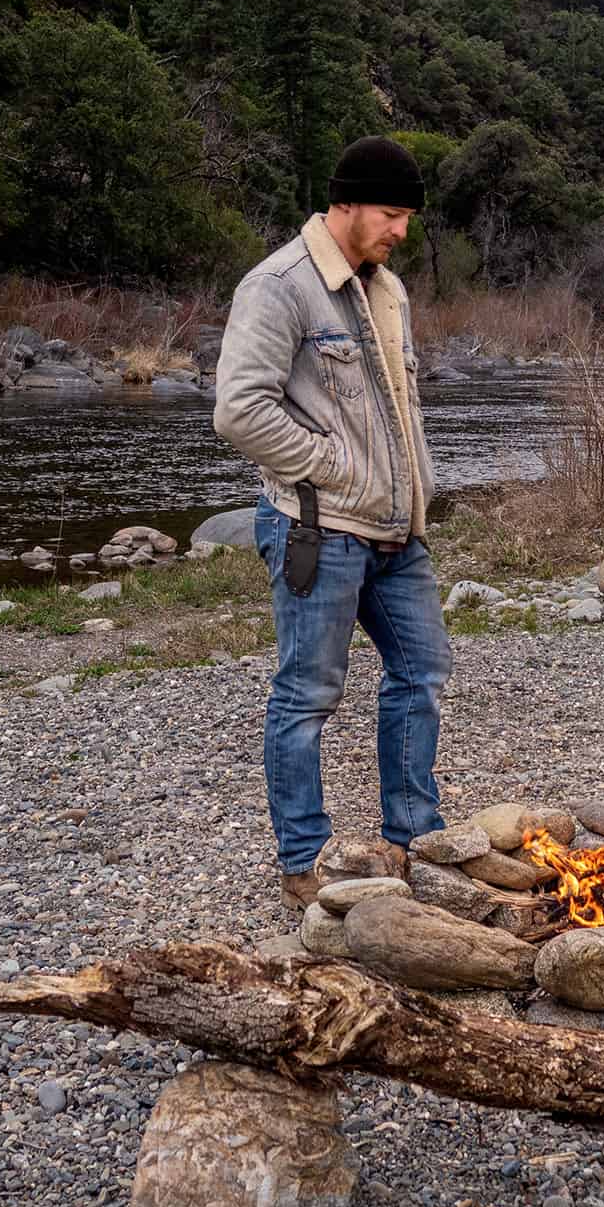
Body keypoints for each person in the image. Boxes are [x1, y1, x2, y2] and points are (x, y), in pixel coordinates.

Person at [213, 136, 449, 910]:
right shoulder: (278, 286)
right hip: (320, 528)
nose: (401, 231)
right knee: (307, 696)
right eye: (391, 214)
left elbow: (401, 404)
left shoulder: (390, 288)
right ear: (345, 203)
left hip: (396, 533)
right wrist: (335, 466)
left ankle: (415, 841)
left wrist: (419, 488)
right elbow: (239, 410)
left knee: (420, 673)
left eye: (408, 217)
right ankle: (303, 862)